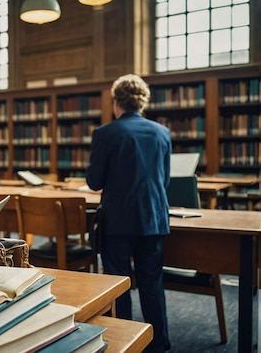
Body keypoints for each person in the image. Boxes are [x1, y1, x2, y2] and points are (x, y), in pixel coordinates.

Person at [86, 74, 171, 352]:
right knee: (152, 283)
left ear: (115, 102)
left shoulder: (105, 133)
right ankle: (159, 343)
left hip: (118, 221)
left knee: (120, 284)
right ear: (143, 102)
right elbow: (165, 179)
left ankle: (126, 342)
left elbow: (94, 182)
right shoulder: (162, 133)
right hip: (154, 218)